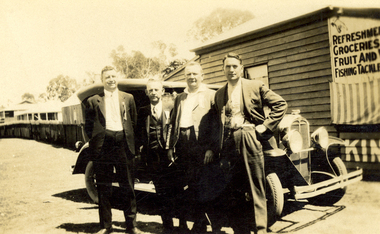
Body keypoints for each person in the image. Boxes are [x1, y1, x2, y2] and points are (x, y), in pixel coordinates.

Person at [208, 53, 287, 234]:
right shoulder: (219, 94)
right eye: (227, 66)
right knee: (233, 186)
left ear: (241, 68)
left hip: (249, 138)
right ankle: (240, 228)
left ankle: (260, 228)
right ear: (223, 69)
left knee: (255, 185)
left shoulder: (255, 86)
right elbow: (215, 122)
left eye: (235, 66)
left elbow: (281, 104)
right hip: (229, 143)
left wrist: (265, 127)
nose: (231, 70)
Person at [84, 66, 140, 234]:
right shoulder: (93, 100)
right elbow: (88, 127)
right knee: (103, 187)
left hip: (123, 143)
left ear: (118, 78)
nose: (111, 79)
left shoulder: (128, 98)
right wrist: (97, 141)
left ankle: (131, 225)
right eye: (107, 77)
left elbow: (134, 123)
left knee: (128, 185)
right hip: (103, 146)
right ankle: (105, 226)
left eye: (113, 76)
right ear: (102, 80)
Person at [167, 62, 216, 233]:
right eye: (188, 74)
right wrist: (171, 147)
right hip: (182, 144)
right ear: (185, 77)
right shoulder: (180, 97)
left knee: (201, 185)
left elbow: (216, 124)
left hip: (201, 146)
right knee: (183, 185)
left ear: (202, 76)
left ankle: (200, 224)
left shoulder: (211, 95)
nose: (192, 77)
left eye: (195, 74)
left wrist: (211, 148)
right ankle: (183, 224)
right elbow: (173, 123)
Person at [136, 79, 180, 233]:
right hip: (152, 159)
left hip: (170, 157)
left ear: (162, 91)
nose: (154, 93)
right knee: (160, 192)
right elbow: (139, 134)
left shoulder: (172, 107)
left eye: (156, 90)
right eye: (151, 90)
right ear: (147, 93)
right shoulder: (143, 111)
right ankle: (167, 226)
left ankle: (182, 225)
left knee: (175, 191)